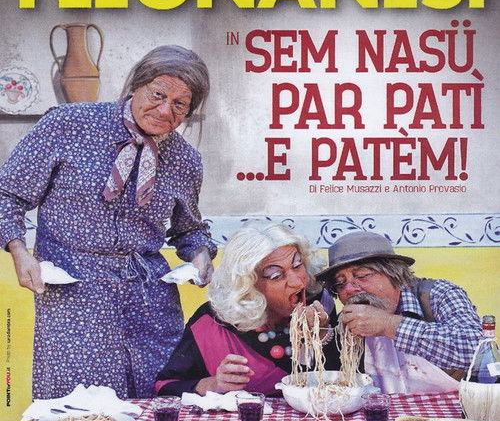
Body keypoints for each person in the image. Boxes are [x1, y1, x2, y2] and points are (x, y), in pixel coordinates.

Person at [0, 45, 216, 399]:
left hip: (150, 303)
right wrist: (19, 252)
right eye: (158, 95)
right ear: (136, 85)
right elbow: (7, 194)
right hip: (74, 298)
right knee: (79, 411)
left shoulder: (185, 160)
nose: (165, 111)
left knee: (157, 403)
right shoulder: (68, 125)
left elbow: (189, 229)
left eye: (180, 105)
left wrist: (201, 256)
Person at [155, 222, 341, 397]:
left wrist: (323, 335)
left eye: (298, 265)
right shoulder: (212, 323)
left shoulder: (320, 304)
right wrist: (213, 384)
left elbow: (341, 380)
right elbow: (165, 386)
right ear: (248, 286)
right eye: (276, 275)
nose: (297, 282)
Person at [315, 231, 483, 395]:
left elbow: (478, 352)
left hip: (451, 410)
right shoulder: (350, 320)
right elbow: (336, 379)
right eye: (340, 283)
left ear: (394, 274)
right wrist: (321, 334)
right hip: (383, 411)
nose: (349, 289)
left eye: (362, 276)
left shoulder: (439, 295)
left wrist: (389, 325)